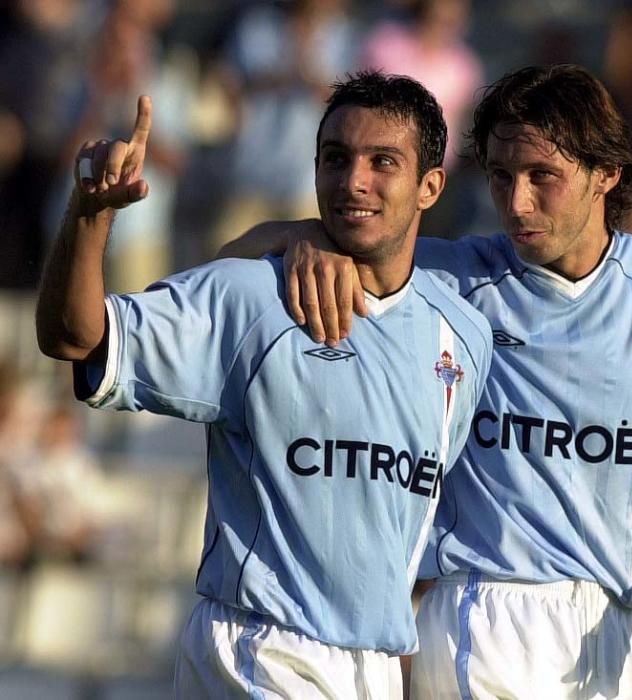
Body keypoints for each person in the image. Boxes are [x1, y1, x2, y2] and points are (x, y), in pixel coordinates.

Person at [221, 64, 632, 699]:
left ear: (605, 175)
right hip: (486, 615)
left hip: (621, 635)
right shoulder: (451, 281)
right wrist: (298, 237)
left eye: (542, 177)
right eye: (501, 176)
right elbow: (225, 279)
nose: (516, 202)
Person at [35, 72, 493, 699]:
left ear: (430, 186)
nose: (353, 180)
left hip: (375, 668)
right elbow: (77, 340)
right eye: (336, 158)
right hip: (260, 649)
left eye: (382, 161)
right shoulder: (251, 294)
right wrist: (90, 215)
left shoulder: (463, 335)